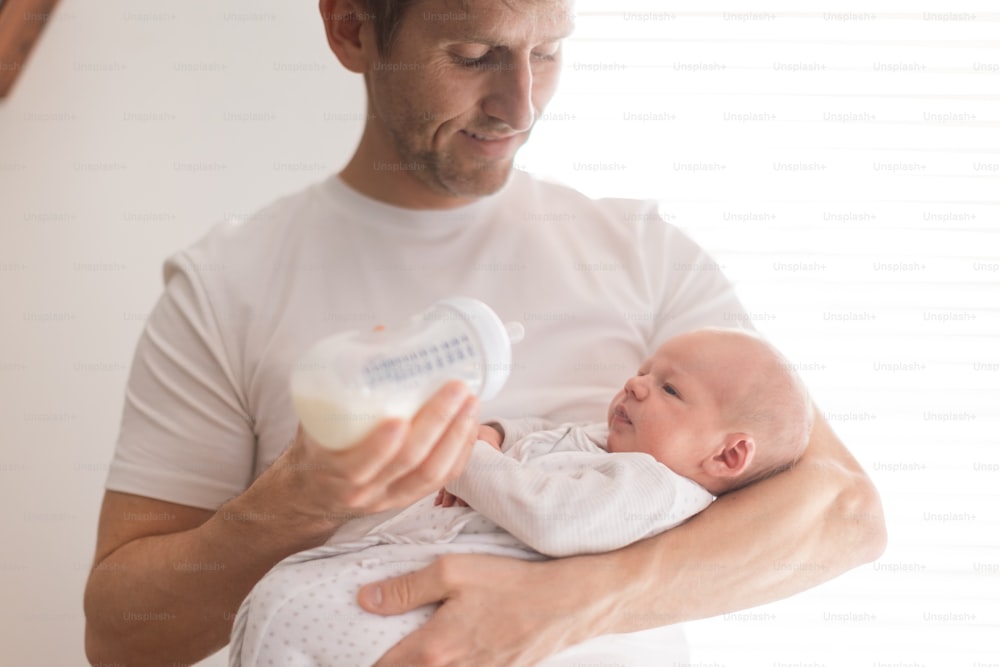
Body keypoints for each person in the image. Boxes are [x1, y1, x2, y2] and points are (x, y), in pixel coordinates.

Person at [83, 1, 886, 665]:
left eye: (549, 51)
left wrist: (565, 601)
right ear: (352, 29)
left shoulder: (644, 255)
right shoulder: (226, 285)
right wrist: (295, 504)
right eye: (473, 55)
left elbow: (841, 515)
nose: (521, 105)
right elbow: (120, 636)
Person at [229, 327, 814, 666]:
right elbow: (543, 434)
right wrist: (497, 434)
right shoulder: (606, 442)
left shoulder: (658, 490)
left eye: (669, 388)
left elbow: (553, 516)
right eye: (643, 369)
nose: (635, 383)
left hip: (427, 618)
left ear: (727, 456)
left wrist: (459, 454)